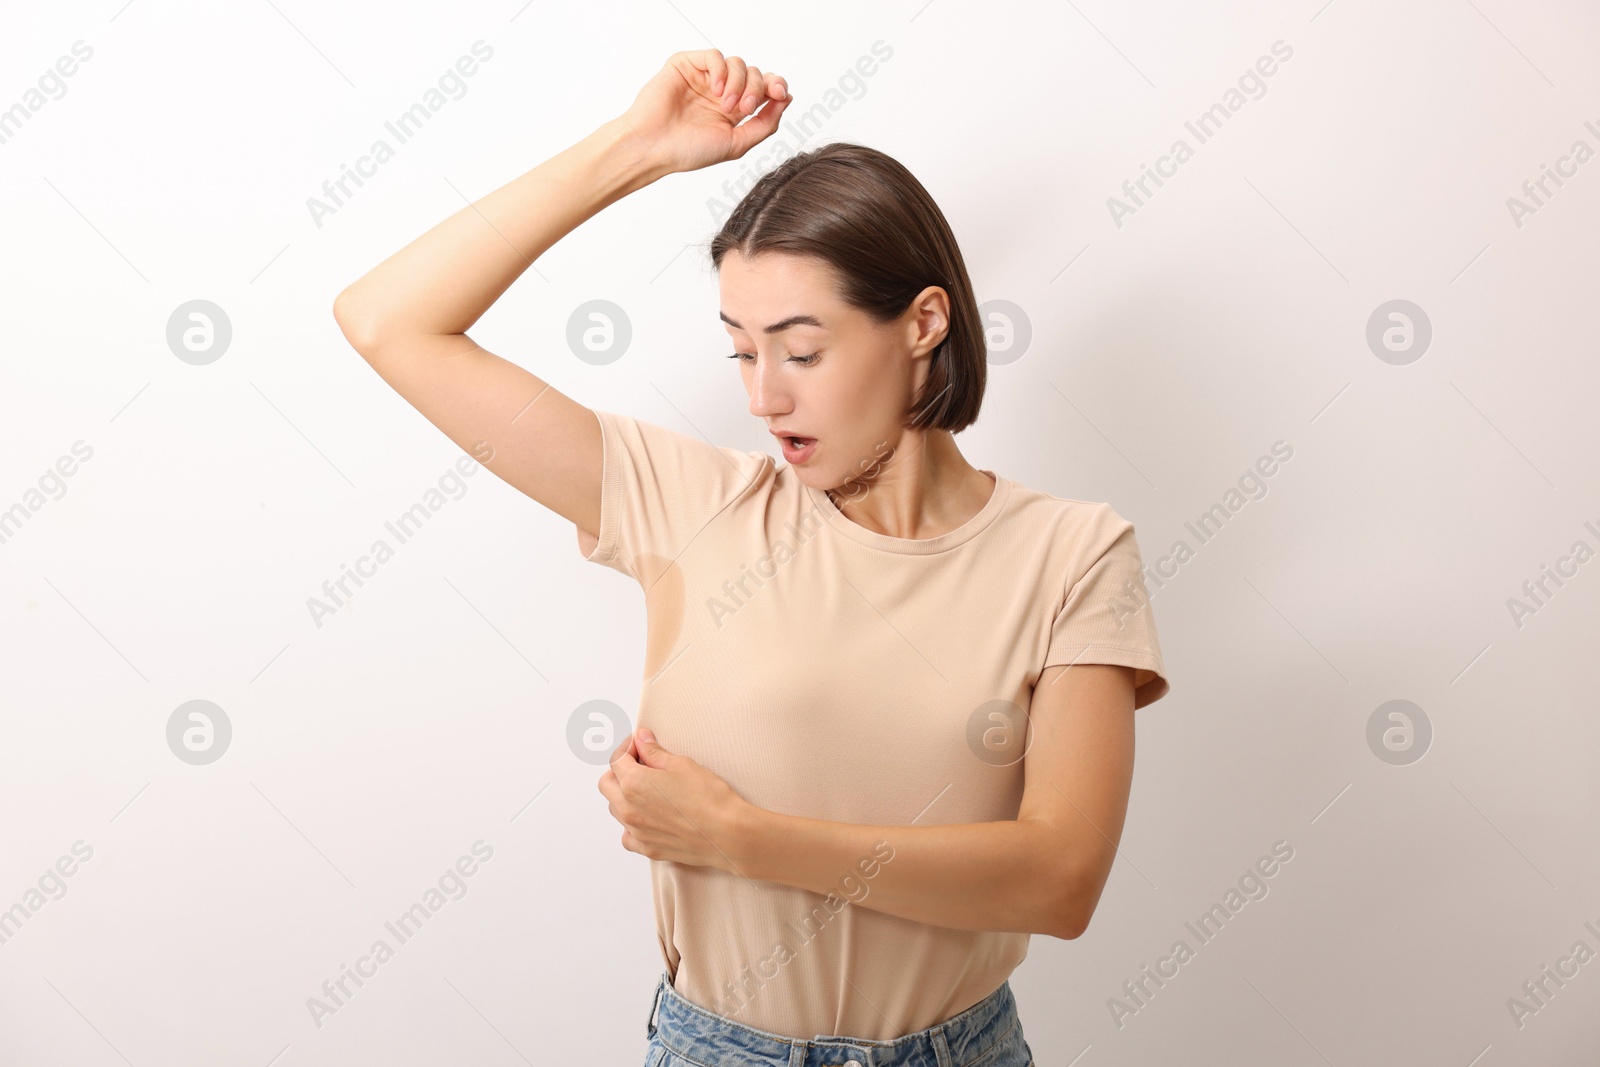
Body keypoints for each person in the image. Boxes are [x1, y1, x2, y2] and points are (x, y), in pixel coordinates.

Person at [333, 48, 1169, 1067]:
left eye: (800, 349)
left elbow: (1059, 879)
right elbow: (388, 321)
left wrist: (742, 836)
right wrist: (634, 152)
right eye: (741, 347)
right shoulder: (691, 504)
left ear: (922, 322)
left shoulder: (1072, 552)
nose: (762, 395)